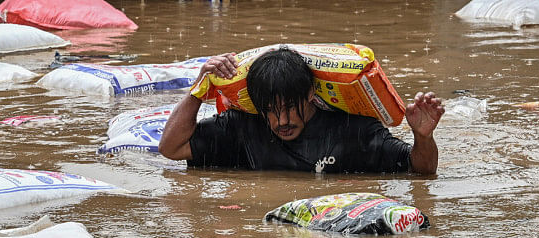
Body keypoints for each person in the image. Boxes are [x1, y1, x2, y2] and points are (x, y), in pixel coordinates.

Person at [158, 47, 444, 175]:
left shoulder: (353, 131)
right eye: (270, 110)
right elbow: (171, 148)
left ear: (310, 95)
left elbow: (421, 170)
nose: (281, 120)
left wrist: (423, 137)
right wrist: (198, 89)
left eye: (288, 108)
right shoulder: (241, 128)